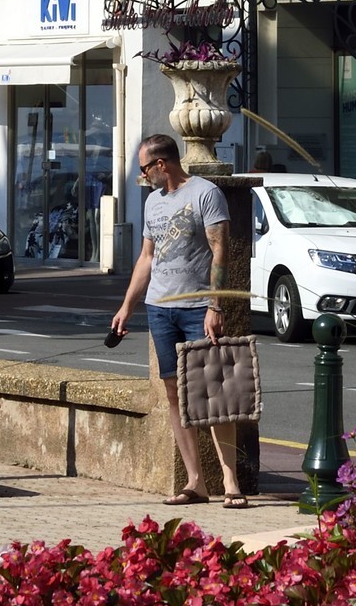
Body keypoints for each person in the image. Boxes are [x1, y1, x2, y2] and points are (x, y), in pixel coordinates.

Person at [110, 131, 248, 507]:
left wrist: (215, 306)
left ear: (161, 164)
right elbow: (146, 259)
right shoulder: (153, 202)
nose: (143, 177)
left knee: (215, 393)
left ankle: (231, 482)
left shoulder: (205, 193)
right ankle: (195, 482)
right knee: (173, 393)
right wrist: (127, 306)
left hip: (196, 308)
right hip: (160, 308)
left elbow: (221, 252)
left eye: (144, 169)